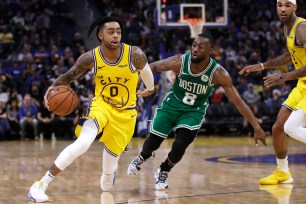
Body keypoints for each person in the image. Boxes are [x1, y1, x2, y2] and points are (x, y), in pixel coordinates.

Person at [28, 16, 155, 202]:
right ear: (100, 35)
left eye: (118, 31)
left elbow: (146, 72)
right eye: (111, 32)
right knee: (83, 142)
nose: (116, 35)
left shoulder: (135, 54)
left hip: (126, 113)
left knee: (107, 180)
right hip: (100, 105)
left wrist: (150, 89)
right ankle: (40, 184)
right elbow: (68, 76)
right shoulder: (90, 57)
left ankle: (108, 175)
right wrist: (52, 88)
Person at [127, 32, 267, 190]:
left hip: (194, 111)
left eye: (201, 47)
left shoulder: (218, 73)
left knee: (180, 145)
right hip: (172, 105)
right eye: (194, 45)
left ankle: (164, 170)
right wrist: (140, 80)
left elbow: (238, 101)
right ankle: (144, 156)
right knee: (152, 143)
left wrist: (256, 126)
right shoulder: (180, 61)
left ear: (210, 51)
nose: (195, 49)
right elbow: (152, 67)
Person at [239, 0, 306, 185]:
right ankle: (283, 173)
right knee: (278, 128)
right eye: (279, 5)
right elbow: (289, 55)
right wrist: (262, 66)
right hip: (302, 84)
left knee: (290, 127)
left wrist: (283, 78)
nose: (282, 9)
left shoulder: (302, 28)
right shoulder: (288, 28)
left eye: (287, 5)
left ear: (295, 7)